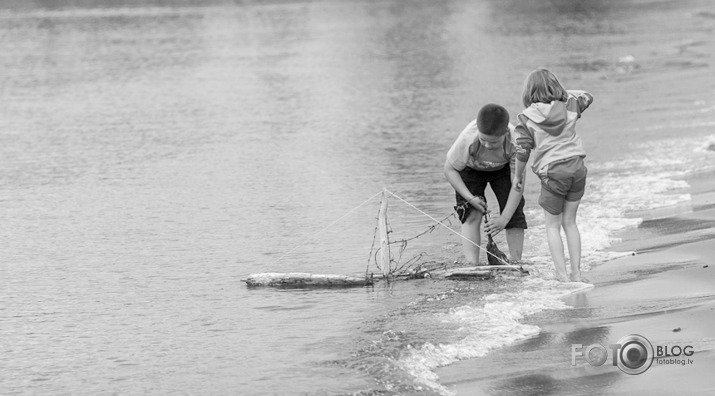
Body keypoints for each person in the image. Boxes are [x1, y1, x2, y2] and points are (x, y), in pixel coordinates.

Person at [512, 68, 594, 282]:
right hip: (577, 167)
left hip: (552, 171)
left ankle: (562, 276)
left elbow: (522, 150)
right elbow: (588, 95)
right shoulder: (571, 105)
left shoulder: (526, 117)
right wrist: (560, 94)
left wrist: (518, 176)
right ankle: (577, 272)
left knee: (552, 226)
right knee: (570, 222)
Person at [444, 103, 527, 265]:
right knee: (471, 213)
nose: (488, 145)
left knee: (514, 214)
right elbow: (449, 170)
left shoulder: (517, 142)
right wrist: (470, 198)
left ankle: (516, 261)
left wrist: (504, 218)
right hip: (471, 169)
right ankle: (472, 264)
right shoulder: (468, 138)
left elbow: (518, 183)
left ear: (505, 133)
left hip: (503, 170)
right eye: (484, 140)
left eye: (494, 143)